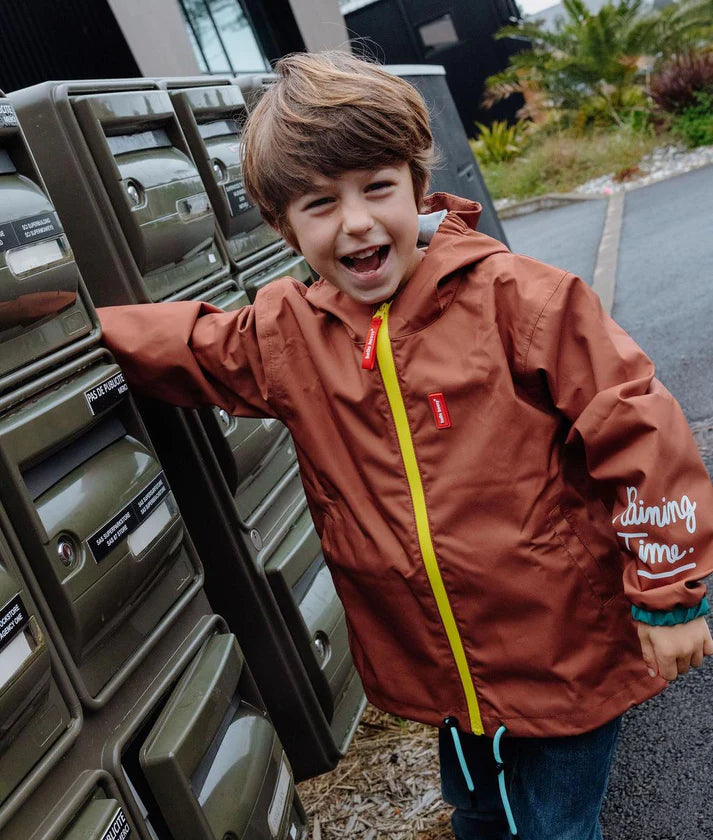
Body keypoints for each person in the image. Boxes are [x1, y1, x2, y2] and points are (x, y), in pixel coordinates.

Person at [98, 51, 713, 840]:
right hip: (442, 670)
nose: (354, 221)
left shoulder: (520, 299)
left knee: (555, 828)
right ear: (285, 225)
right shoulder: (291, 335)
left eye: (376, 188)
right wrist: (84, 333)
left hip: (563, 652)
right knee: (477, 813)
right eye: (320, 203)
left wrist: (669, 595)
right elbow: (193, 346)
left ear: (416, 186)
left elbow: (637, 427)